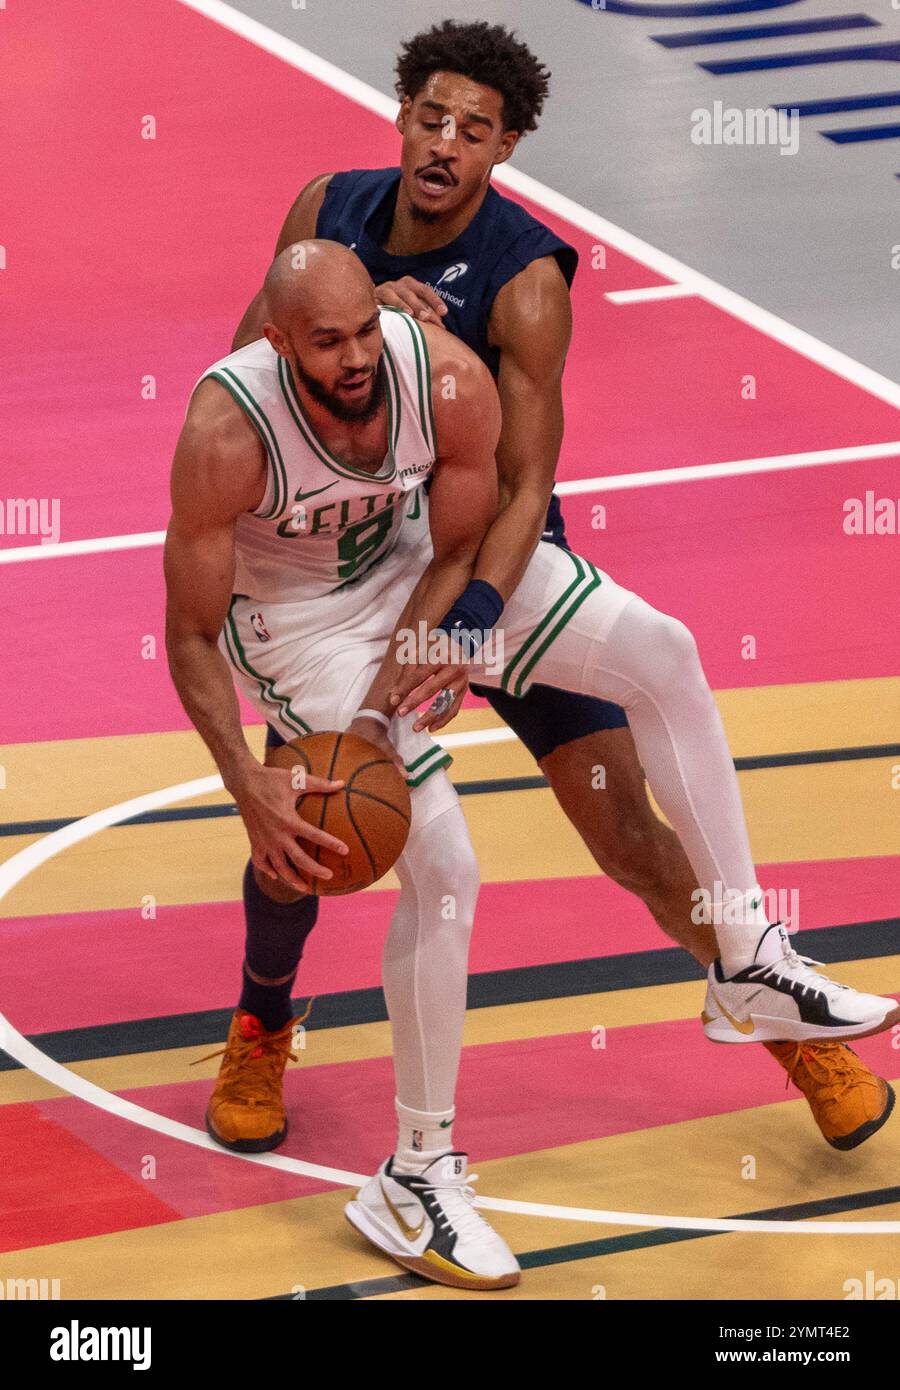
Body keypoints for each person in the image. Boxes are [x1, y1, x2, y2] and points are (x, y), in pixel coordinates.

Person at [229, 19, 894, 1151]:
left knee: (626, 827)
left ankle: (773, 1013)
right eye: (431, 117)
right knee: (326, 806)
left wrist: (469, 630)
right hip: (345, 572)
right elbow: (243, 355)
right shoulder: (325, 218)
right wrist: (372, 315)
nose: (445, 143)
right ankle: (262, 1019)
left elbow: (530, 484)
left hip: (483, 565)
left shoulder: (527, 276)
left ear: (508, 146)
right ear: (400, 115)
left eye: (474, 130)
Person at [166, 241, 521, 1289]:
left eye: (367, 327)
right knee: (414, 853)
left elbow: (462, 544)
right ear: (279, 343)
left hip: (405, 581)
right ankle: (401, 1157)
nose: (359, 354)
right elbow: (189, 631)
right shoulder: (227, 431)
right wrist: (244, 780)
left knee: (662, 653)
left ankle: (750, 964)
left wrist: (430, 654)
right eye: (329, 340)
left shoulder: (439, 374)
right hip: (293, 621)